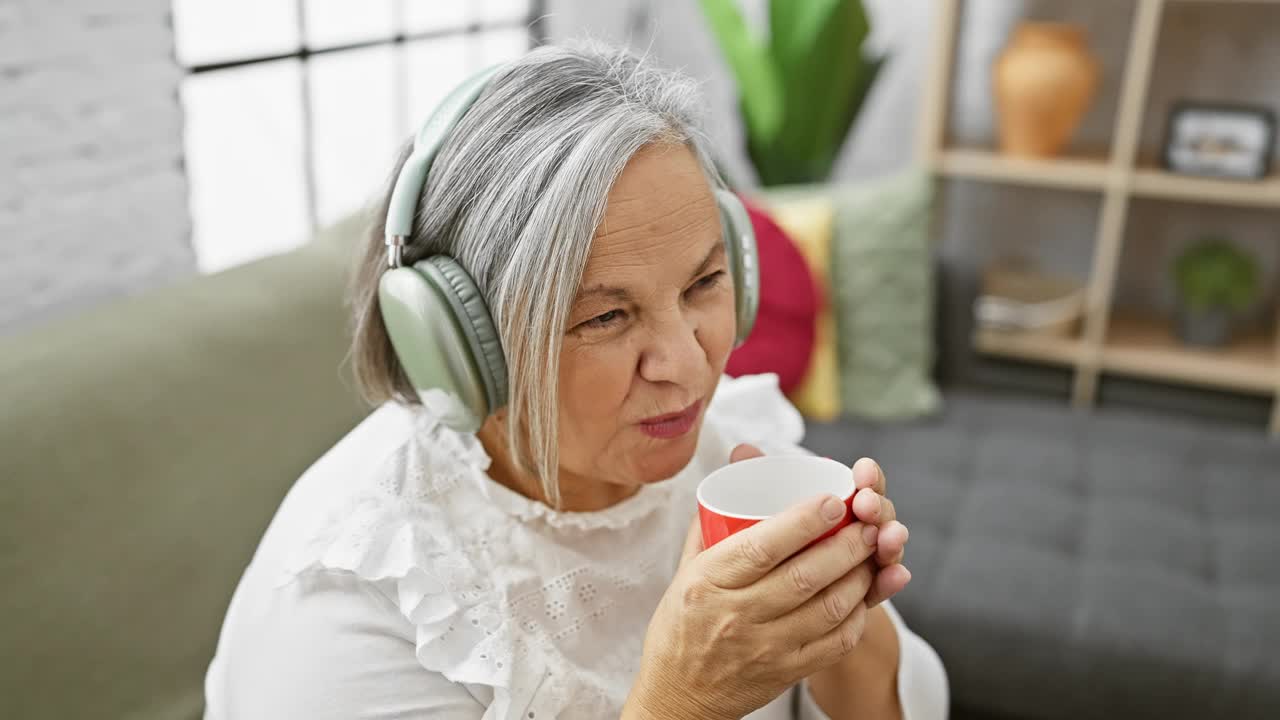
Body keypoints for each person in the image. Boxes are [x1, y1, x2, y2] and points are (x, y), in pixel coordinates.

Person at [204, 42, 948, 719]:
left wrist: (843, 615)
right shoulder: (355, 603)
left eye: (704, 283)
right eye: (606, 318)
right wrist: (684, 699)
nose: (690, 366)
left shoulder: (729, 456)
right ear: (459, 347)